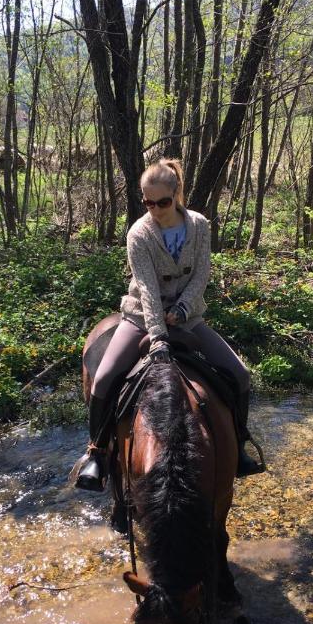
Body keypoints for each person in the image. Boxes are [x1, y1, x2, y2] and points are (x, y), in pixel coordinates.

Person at [75, 157, 261, 491]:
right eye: (147, 202)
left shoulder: (200, 225)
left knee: (240, 374)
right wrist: (158, 335)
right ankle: (97, 454)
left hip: (188, 317)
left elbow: (202, 272)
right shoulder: (139, 233)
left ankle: (241, 445)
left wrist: (186, 306)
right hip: (141, 317)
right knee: (102, 380)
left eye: (162, 202)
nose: (155, 209)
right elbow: (145, 287)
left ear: (176, 194)